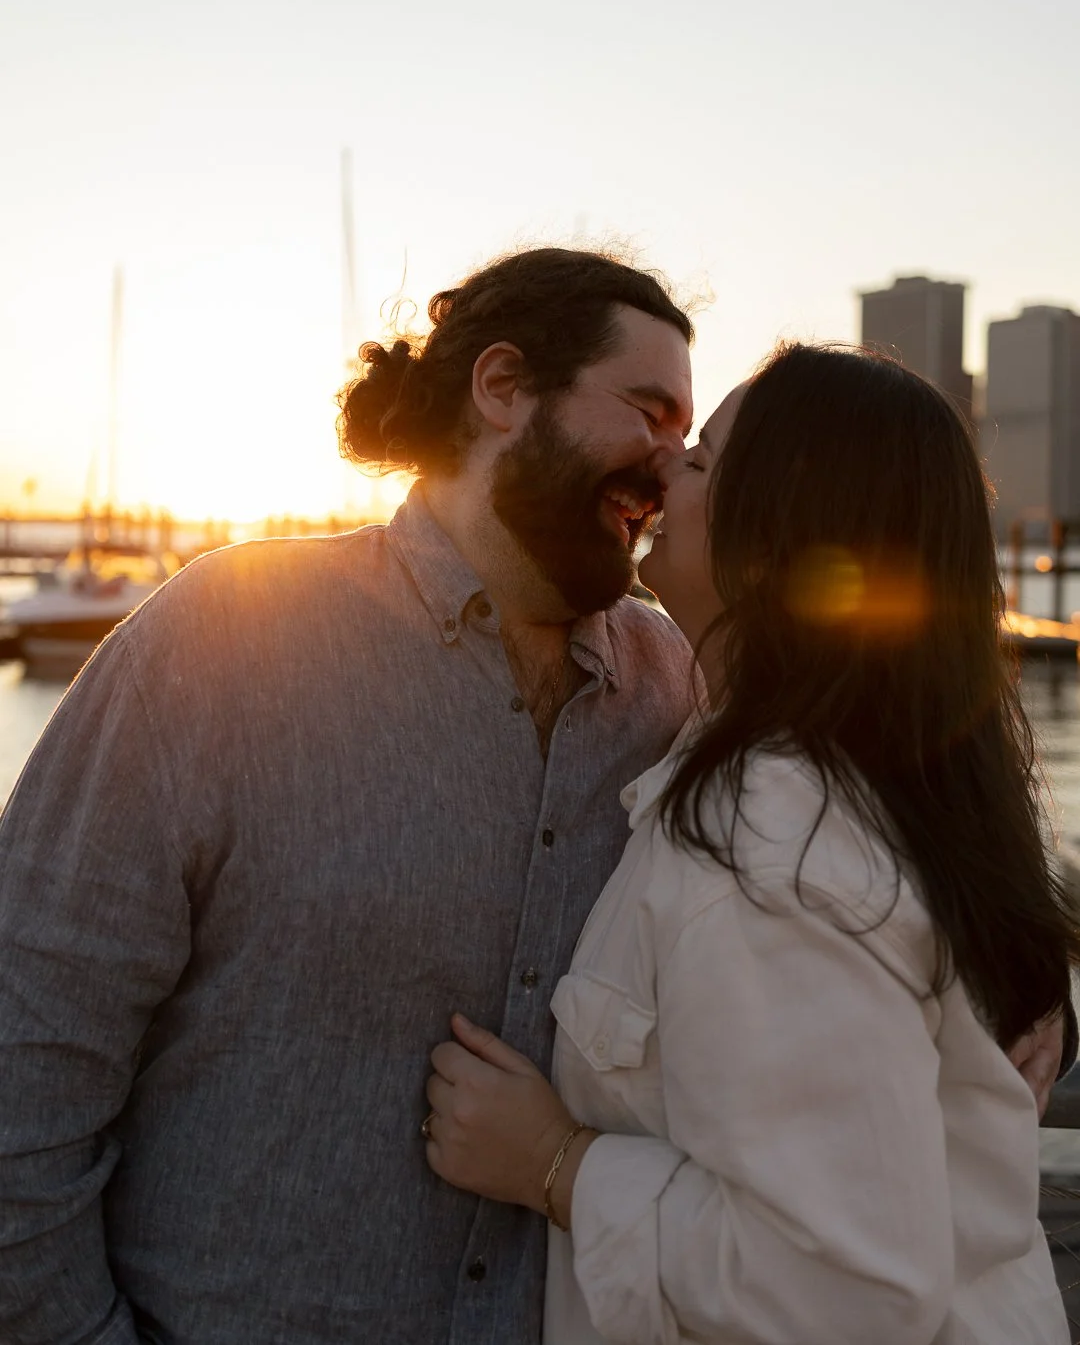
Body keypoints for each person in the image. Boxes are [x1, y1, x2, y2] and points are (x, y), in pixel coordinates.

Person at [0, 248, 698, 1345]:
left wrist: (1032, 988)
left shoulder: (672, 687)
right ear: (504, 387)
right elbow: (29, 1046)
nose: (674, 461)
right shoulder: (222, 637)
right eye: (650, 410)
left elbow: (850, 871)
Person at [425, 343, 1078, 1344]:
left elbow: (846, 1289)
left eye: (703, 460)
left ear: (778, 539)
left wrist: (557, 1164)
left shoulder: (771, 844)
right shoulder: (870, 779)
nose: (663, 467)